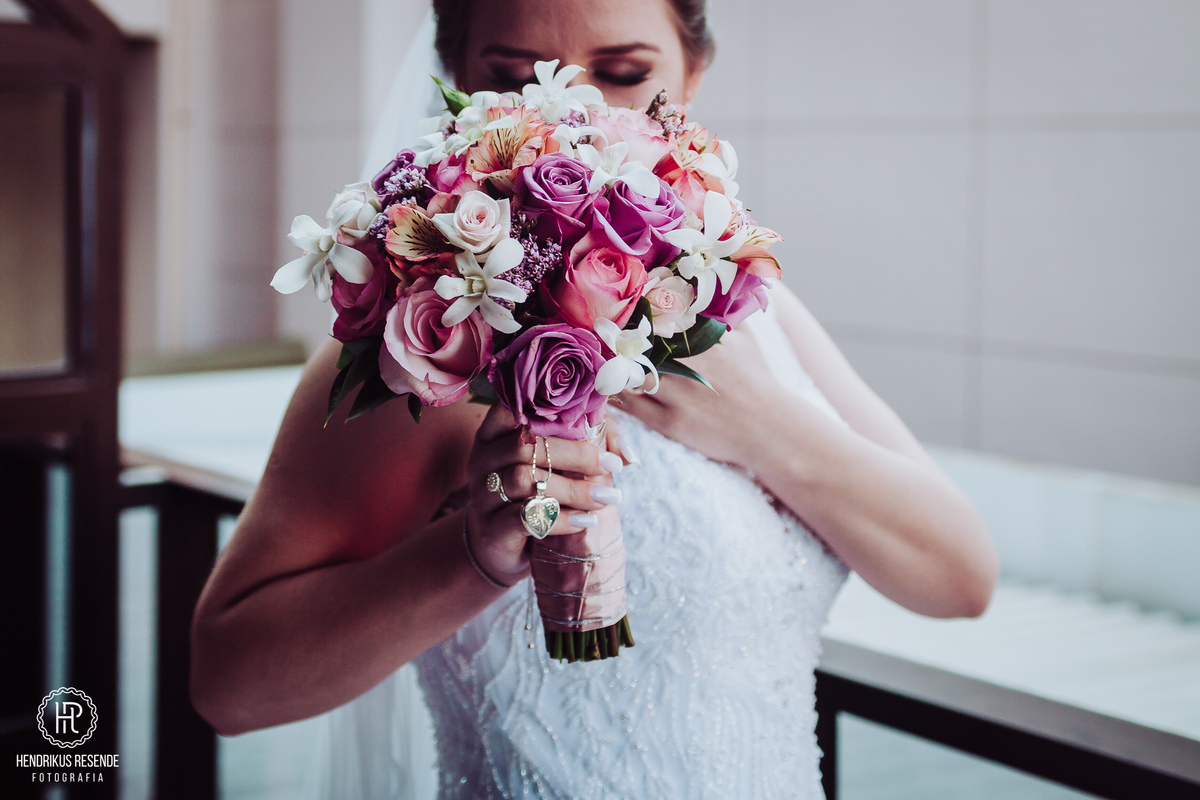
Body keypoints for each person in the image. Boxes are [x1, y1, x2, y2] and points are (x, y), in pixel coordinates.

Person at [190, 0, 998, 797]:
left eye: (622, 74)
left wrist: (762, 430)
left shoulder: (746, 303)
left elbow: (961, 578)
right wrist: (472, 556)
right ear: (455, 85)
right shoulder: (426, 348)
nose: (571, 112)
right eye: (513, 79)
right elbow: (230, 683)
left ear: (693, 74)